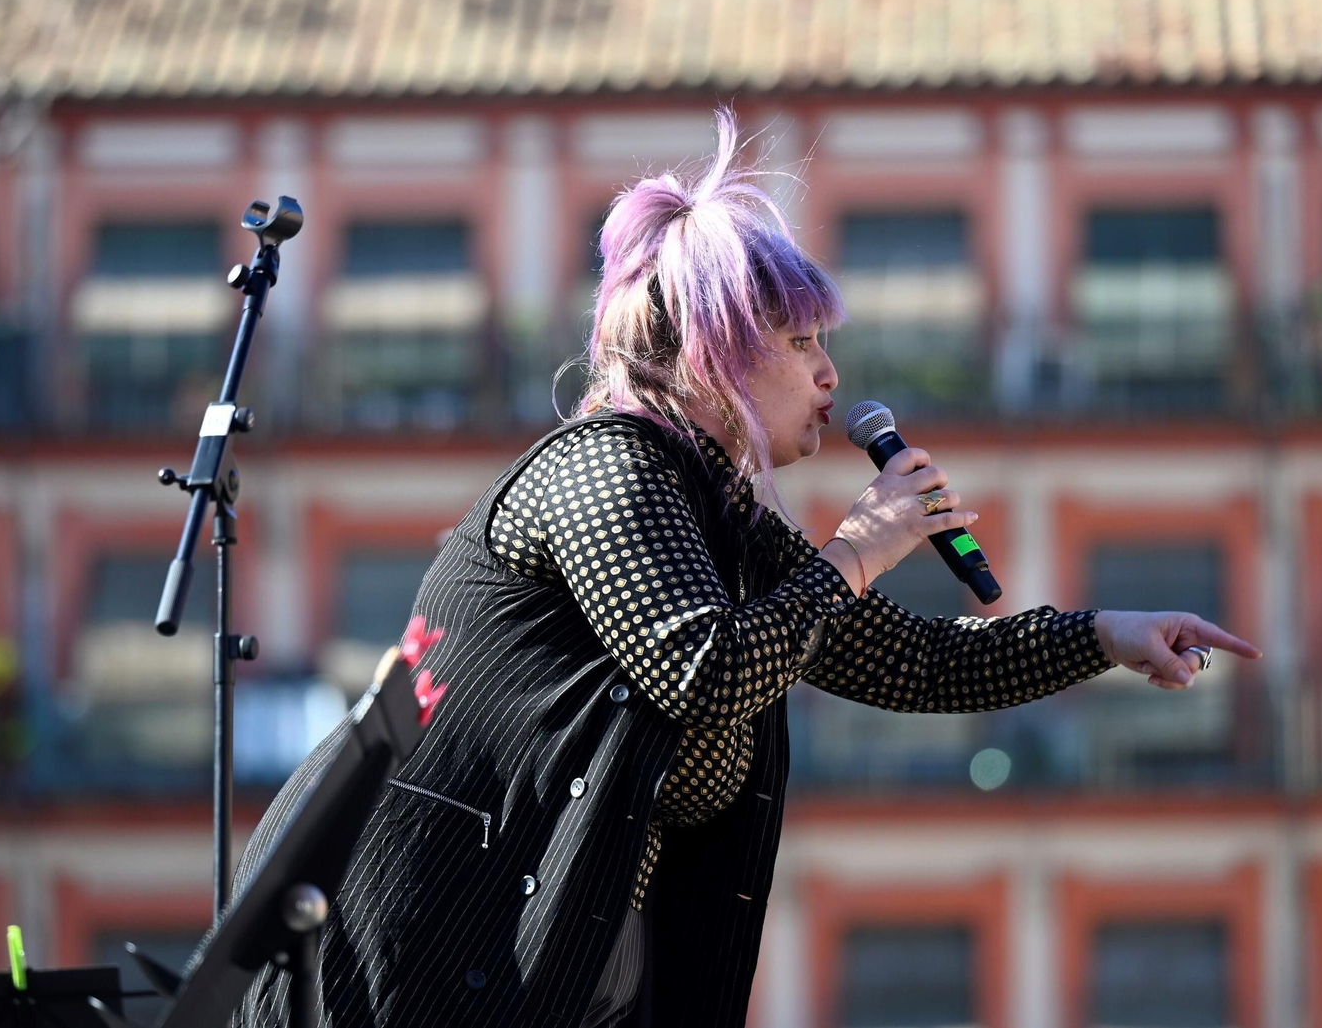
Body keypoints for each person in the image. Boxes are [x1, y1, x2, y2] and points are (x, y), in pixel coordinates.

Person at [232, 109, 1261, 1028]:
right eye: (799, 339)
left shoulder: (713, 508)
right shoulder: (606, 471)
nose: (829, 372)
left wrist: (1100, 637)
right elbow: (708, 671)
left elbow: (907, 661)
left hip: (551, 956)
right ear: (712, 349)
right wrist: (859, 545)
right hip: (428, 956)